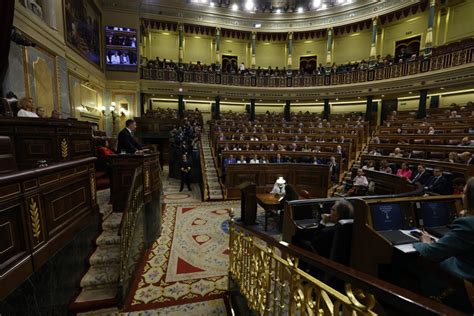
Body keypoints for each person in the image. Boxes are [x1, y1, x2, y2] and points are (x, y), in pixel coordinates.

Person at [414, 177, 474, 282]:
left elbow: (431, 253)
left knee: (411, 262)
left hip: (466, 279)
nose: (461, 196)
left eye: (464, 193)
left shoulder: (468, 224)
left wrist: (426, 243)